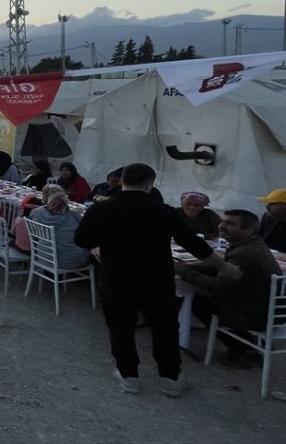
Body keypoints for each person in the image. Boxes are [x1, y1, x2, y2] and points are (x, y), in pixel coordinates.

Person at [74, 163, 232, 397]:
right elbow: (194, 244)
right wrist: (224, 266)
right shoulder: (164, 211)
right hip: (157, 279)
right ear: (150, 183)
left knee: (121, 328)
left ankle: (128, 376)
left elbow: (81, 238)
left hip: (117, 278)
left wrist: (100, 245)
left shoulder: (102, 209)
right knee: (165, 328)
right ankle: (171, 378)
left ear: (122, 181)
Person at [174, 209, 280, 367]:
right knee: (197, 294)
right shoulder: (252, 244)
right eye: (223, 221)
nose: (222, 226)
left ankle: (244, 350)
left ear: (248, 230)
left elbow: (218, 287)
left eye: (230, 223)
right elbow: (223, 269)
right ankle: (247, 343)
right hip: (262, 304)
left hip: (255, 312)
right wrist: (191, 268)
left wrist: (186, 272)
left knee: (200, 302)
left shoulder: (245, 254)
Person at [29, 184, 91, 270]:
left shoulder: (36, 213)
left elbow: (34, 237)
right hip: (73, 261)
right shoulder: (73, 215)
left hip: (44, 258)